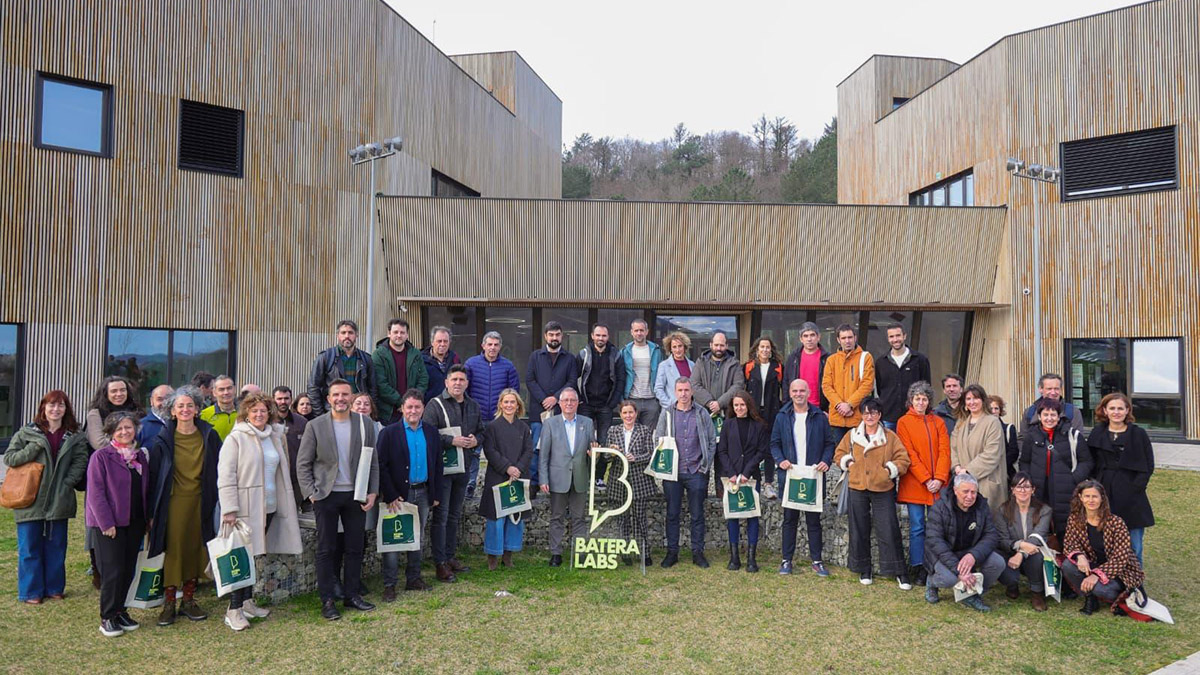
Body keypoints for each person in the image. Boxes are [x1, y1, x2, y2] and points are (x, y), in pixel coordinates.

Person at [216, 392, 303, 631]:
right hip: (245, 508)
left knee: (255, 556)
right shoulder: (236, 438)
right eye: (254, 410)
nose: (259, 414)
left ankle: (247, 602)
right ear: (246, 413)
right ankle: (233, 610)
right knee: (241, 557)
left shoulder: (274, 436)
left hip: (269, 507)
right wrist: (230, 508)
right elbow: (225, 475)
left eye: (263, 410)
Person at [296, 379, 379, 620]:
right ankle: (328, 600)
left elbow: (372, 460)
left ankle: (352, 595)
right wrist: (311, 492)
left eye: (345, 395)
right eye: (336, 395)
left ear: (351, 398)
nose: (340, 399)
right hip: (326, 495)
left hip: (356, 494)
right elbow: (303, 463)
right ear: (328, 398)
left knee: (355, 547)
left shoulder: (365, 424)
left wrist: (373, 491)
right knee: (326, 549)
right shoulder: (316, 426)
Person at [4, 391, 89, 604]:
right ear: (43, 408)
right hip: (29, 497)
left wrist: (67, 483)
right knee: (29, 548)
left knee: (56, 546)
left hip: (59, 498)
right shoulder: (27, 433)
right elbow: (11, 458)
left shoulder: (74, 435)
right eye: (51, 405)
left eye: (60, 405)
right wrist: (34, 447)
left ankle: (54, 588)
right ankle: (31, 591)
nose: (55, 409)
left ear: (66, 409)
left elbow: (81, 461)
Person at [147, 386, 221, 626]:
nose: (186, 409)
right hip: (174, 503)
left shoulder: (209, 435)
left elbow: (220, 469)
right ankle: (169, 603)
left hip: (202, 501)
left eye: (190, 405)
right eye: (180, 406)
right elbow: (154, 477)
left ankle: (188, 600)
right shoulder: (162, 440)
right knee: (174, 552)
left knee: (195, 550)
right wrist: (151, 513)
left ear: (198, 409)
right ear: (172, 410)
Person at [834, 397, 911, 588]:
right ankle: (863, 568)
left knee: (889, 528)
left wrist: (888, 472)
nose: (870, 416)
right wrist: (849, 464)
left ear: (880, 415)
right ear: (861, 414)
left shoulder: (889, 436)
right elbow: (839, 454)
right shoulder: (852, 435)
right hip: (857, 486)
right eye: (866, 412)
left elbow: (903, 459)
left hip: (882, 487)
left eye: (874, 413)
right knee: (859, 529)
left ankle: (898, 570)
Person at [85, 411, 149, 636]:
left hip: (135, 522)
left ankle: (121, 610)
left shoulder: (139, 457)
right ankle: (107, 616)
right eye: (119, 429)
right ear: (111, 432)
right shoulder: (101, 457)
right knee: (112, 571)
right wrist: (106, 523)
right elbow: (96, 494)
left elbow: (144, 490)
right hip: (110, 525)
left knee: (128, 569)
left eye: (128, 427)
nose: (124, 432)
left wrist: (147, 519)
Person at [377, 390, 442, 598]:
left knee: (417, 537)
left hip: (422, 492)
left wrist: (435, 493)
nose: (413, 411)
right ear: (402, 409)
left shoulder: (432, 433)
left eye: (417, 407)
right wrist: (390, 494)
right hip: (397, 495)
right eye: (409, 407)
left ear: (423, 409)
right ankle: (390, 584)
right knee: (393, 540)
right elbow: (381, 465)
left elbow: (437, 465)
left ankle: (413, 578)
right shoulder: (388, 432)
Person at [422, 365, 482, 582]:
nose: (458, 383)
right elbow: (427, 433)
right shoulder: (435, 405)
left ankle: (450, 556)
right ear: (446, 382)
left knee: (455, 515)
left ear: (467, 383)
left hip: (464, 468)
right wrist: (451, 441)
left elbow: (481, 431)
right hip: (443, 471)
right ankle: (440, 563)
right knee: (442, 515)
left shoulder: (473, 405)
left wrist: (476, 440)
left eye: (462, 380)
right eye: (454, 379)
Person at [770, 379, 835, 576]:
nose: (798, 394)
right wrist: (780, 460)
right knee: (790, 520)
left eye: (802, 391)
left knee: (813, 520)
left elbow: (829, 443)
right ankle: (786, 561)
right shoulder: (782, 416)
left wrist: (826, 461)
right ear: (790, 393)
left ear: (808, 393)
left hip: (812, 475)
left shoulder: (819, 416)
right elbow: (774, 443)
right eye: (795, 391)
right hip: (791, 475)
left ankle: (817, 561)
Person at [655, 378, 716, 569]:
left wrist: (704, 466)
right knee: (672, 514)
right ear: (675, 392)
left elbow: (711, 440)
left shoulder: (701, 413)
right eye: (680, 390)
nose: (683, 394)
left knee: (697, 514)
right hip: (673, 472)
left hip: (696, 471)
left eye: (686, 390)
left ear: (691, 392)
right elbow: (658, 438)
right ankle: (672, 552)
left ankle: (697, 553)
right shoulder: (667, 414)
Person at [923, 472, 1006, 612]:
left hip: (969, 553)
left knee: (997, 563)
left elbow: (991, 535)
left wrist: (973, 555)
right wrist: (958, 570)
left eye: (973, 492)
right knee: (950, 579)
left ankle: (972, 594)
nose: (970, 496)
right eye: (965, 491)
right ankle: (932, 582)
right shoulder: (939, 508)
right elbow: (935, 541)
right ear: (955, 491)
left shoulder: (982, 506)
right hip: (943, 555)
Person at [1088, 392, 1154, 565]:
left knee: (1134, 544)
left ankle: (1135, 585)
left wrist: (1136, 488)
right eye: (1112, 408)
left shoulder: (1138, 434)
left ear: (1127, 411)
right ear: (1105, 410)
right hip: (1104, 491)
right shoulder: (1097, 433)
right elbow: (1090, 463)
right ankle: (1109, 583)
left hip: (1132, 494)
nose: (1116, 412)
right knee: (1104, 541)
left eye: (1120, 408)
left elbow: (1148, 465)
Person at [1061, 480, 1145, 615]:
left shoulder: (1116, 523)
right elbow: (1070, 543)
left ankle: (1120, 595)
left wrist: (1096, 575)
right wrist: (1080, 556)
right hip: (1092, 563)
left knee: (1101, 589)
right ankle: (1090, 598)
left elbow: (1121, 558)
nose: (1091, 500)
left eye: (1095, 496)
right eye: (1087, 496)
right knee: (1067, 566)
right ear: (1081, 498)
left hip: (1119, 572)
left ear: (1102, 498)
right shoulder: (1075, 519)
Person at [895, 381, 951, 586]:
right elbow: (909, 453)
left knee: (937, 528)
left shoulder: (939, 422)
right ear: (911, 400)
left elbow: (945, 451)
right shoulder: (903, 422)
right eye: (917, 398)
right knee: (917, 526)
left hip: (937, 485)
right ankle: (918, 566)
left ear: (929, 401)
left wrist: (939, 478)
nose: (920, 402)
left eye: (924, 399)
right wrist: (927, 479)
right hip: (915, 484)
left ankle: (936, 565)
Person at [1019, 397, 1092, 538]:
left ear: (1059, 417)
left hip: (1065, 488)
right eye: (1045, 414)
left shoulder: (1072, 435)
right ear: (1039, 416)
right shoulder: (1031, 436)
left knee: (1065, 526)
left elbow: (1086, 461)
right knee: (1039, 523)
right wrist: (1029, 481)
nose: (1049, 418)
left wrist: (1073, 478)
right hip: (1039, 487)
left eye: (1053, 414)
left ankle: (1067, 556)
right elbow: (1025, 461)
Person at [538, 387, 594, 567]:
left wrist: (595, 454)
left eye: (573, 400)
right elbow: (543, 455)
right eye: (565, 400)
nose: (569, 403)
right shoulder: (550, 423)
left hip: (579, 477)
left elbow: (592, 450)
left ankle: (579, 552)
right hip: (557, 478)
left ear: (578, 403)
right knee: (557, 517)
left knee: (579, 517)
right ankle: (556, 553)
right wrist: (543, 479)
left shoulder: (587, 422)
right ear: (560, 403)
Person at [479, 389, 533, 570]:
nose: (509, 405)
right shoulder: (492, 427)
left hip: (518, 476)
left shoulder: (524, 428)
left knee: (514, 517)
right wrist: (507, 467)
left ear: (518, 406)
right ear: (500, 404)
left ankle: (509, 554)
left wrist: (517, 468)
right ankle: (493, 555)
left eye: (513, 402)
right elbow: (490, 451)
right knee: (496, 518)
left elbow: (528, 451)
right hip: (498, 477)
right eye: (506, 402)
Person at [464, 331, 520, 497]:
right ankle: (470, 485)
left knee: (500, 453)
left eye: (496, 345)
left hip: (499, 418)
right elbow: (465, 391)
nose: (492, 348)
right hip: (477, 418)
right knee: (473, 451)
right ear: (483, 346)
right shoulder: (471, 364)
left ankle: (500, 486)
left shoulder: (508, 366)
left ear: (500, 347)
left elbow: (513, 392)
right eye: (489, 344)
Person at [717, 391, 768, 572]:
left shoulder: (759, 426)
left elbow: (761, 452)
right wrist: (731, 472)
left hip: (751, 477)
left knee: (752, 516)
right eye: (736, 405)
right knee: (733, 516)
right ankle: (734, 557)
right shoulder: (728, 425)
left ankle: (751, 559)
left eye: (742, 405)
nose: (739, 408)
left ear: (748, 406)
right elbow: (722, 450)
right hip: (732, 477)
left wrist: (747, 472)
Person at [526, 321, 581, 487]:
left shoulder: (569, 358)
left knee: (559, 450)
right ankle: (535, 484)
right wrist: (544, 399)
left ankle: (556, 484)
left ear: (562, 336)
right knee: (537, 449)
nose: (554, 338)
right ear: (545, 336)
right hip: (539, 411)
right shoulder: (535, 356)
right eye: (551, 335)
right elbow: (530, 380)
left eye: (557, 334)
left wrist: (556, 398)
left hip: (561, 411)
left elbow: (572, 381)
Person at [604, 400, 656, 566]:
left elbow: (650, 454)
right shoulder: (613, 430)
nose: (628, 416)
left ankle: (644, 552)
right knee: (622, 519)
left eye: (631, 412)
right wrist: (612, 452)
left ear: (636, 414)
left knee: (640, 518)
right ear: (620, 415)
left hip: (639, 480)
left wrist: (636, 458)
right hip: (619, 481)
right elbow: (605, 457)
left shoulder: (644, 430)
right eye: (625, 413)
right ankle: (625, 552)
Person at [994, 472, 1052, 611]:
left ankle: (1037, 593)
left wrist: (1021, 553)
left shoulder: (1045, 510)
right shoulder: (1002, 510)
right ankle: (1012, 584)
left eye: (1027, 487)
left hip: (1033, 552)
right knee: (999, 558)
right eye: (1018, 487)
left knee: (1036, 555)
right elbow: (1003, 540)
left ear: (1033, 490)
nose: (1023, 490)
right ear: (1012, 490)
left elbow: (1039, 536)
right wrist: (1020, 545)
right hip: (1009, 552)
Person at [577, 323, 625, 489]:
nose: (601, 338)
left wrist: (612, 403)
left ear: (608, 337)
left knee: (604, 443)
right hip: (586, 405)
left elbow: (620, 380)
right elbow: (575, 378)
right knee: (585, 443)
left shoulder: (615, 355)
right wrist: (580, 399)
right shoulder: (584, 354)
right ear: (592, 336)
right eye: (598, 335)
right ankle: (586, 477)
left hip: (606, 405)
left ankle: (598, 477)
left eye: (604, 336)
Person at [950, 384, 1007, 509]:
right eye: (968, 399)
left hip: (986, 481)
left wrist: (968, 471)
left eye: (976, 398)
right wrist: (957, 467)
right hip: (963, 481)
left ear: (983, 400)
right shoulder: (961, 422)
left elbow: (991, 453)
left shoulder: (992, 422)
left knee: (987, 521)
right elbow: (953, 448)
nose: (972, 402)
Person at [743, 336, 785, 498]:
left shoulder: (778, 368)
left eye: (768, 347)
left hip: (771, 413)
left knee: (768, 449)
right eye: (762, 347)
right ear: (756, 349)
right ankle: (755, 482)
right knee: (752, 448)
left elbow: (784, 390)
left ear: (771, 350)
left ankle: (768, 484)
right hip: (753, 413)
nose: (765, 350)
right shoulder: (748, 367)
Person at [307, 320, 377, 416]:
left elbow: (373, 389)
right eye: (343, 333)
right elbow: (313, 387)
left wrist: (369, 410)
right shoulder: (325, 357)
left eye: (350, 333)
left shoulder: (366, 359)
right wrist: (320, 414)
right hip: (332, 411)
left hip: (358, 411)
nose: (347, 336)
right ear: (337, 336)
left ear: (356, 335)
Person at [822, 324, 875, 445]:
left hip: (858, 417)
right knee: (840, 457)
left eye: (850, 337)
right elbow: (826, 386)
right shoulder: (832, 360)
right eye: (844, 338)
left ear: (855, 338)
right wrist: (839, 405)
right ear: (838, 340)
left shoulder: (865, 357)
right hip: (837, 418)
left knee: (859, 455)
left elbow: (867, 384)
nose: (847, 341)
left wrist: (850, 405)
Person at [875, 323, 931, 430]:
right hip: (888, 417)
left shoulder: (920, 360)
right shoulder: (881, 362)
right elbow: (880, 389)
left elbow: (927, 388)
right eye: (891, 336)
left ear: (904, 336)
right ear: (888, 339)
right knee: (890, 447)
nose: (895, 339)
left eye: (898, 335)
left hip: (914, 415)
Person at [373, 318, 429, 424]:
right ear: (389, 334)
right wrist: (401, 402)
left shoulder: (415, 354)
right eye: (395, 332)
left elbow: (423, 379)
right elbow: (381, 384)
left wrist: (411, 401)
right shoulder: (379, 355)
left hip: (413, 411)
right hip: (389, 412)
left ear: (407, 335)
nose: (399, 335)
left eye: (402, 332)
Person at [619, 318, 665, 429]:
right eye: (636, 330)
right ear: (631, 332)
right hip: (632, 399)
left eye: (641, 330)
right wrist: (621, 399)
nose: (639, 333)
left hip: (651, 400)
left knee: (648, 435)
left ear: (647, 331)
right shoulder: (625, 352)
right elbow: (620, 376)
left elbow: (662, 374)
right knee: (631, 434)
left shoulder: (656, 350)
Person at [692, 331, 744, 419]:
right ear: (710, 345)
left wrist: (720, 403)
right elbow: (694, 384)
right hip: (703, 412)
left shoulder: (734, 363)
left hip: (728, 413)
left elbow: (738, 385)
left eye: (722, 345)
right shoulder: (701, 362)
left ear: (727, 346)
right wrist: (710, 403)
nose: (719, 348)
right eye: (716, 345)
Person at [1019, 373, 1085, 443]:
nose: (1053, 392)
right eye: (1049, 389)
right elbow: (1023, 440)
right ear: (1040, 389)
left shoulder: (1072, 412)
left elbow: (1078, 439)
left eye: (1056, 389)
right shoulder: (1030, 412)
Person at [273, 386, 309, 510]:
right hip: (274, 478)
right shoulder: (267, 422)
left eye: (286, 398)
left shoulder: (302, 423)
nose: (283, 402)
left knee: (292, 515)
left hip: (296, 479)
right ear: (273, 400)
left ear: (291, 400)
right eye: (279, 399)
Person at [85, 376, 144, 452]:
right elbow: (99, 444)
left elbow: (143, 438)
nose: (119, 394)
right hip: (105, 460)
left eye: (123, 390)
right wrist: (127, 442)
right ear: (106, 393)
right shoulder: (96, 414)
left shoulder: (137, 411)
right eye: (114, 391)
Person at [782, 322, 829, 412]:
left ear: (818, 337)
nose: (809, 339)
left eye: (812, 335)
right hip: (796, 408)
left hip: (820, 409)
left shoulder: (827, 358)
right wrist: (786, 406)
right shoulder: (793, 357)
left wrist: (828, 410)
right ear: (801, 339)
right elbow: (786, 383)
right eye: (805, 336)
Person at [654, 331, 694, 412]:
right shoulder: (664, 365)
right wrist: (670, 405)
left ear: (685, 347)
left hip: (690, 409)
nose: (677, 350)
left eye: (680, 346)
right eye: (674, 347)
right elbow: (658, 389)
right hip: (671, 410)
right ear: (670, 349)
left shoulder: (692, 365)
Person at [421, 325, 461, 403]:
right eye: (439, 341)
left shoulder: (455, 359)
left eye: (445, 341)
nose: (442, 344)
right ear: (432, 342)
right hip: (429, 407)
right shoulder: (421, 361)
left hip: (451, 406)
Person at [988, 394, 1020, 477]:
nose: (993, 411)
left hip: (1005, 474)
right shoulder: (981, 430)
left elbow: (1014, 453)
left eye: (996, 408)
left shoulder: (1009, 428)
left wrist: (998, 466)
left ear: (1000, 411)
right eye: (990, 409)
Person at [200, 375, 238, 441]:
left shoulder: (245, 413)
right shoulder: (204, 415)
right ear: (214, 393)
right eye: (221, 389)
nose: (226, 392)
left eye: (229, 388)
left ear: (234, 389)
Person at [135, 384, 174, 449]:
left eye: (168, 399)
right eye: (160, 399)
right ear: (151, 401)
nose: (164, 403)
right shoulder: (140, 426)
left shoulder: (181, 424)